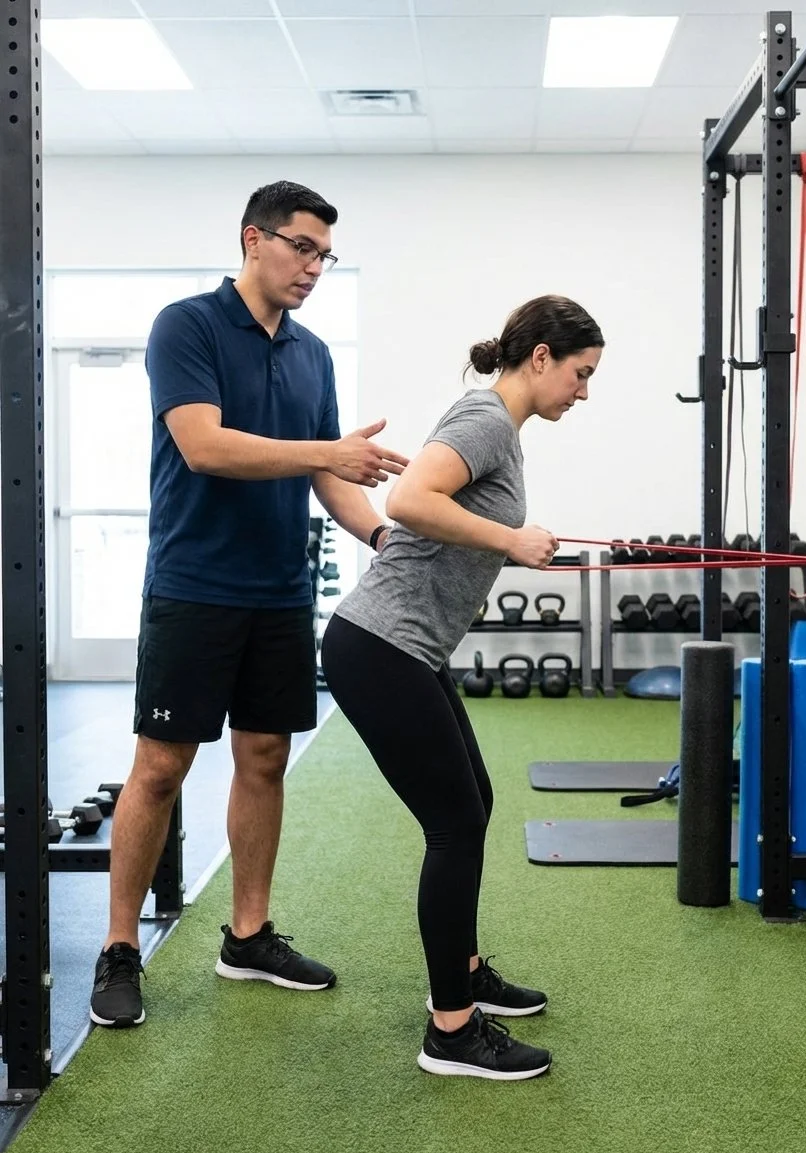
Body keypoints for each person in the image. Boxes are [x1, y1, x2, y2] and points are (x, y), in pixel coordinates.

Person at [90, 180, 408, 1028]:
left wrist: (382, 538)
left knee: (264, 756)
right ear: (252, 239)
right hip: (193, 584)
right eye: (301, 247)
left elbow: (328, 474)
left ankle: (249, 933)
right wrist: (328, 450)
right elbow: (205, 446)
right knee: (162, 766)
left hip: (278, 588)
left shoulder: (311, 354)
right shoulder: (186, 325)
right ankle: (121, 946)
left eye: (324, 256)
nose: (313, 267)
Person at [321, 295, 604, 1080]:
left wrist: (503, 544)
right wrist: (511, 538)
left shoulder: (498, 431)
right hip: (379, 645)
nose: (583, 393)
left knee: (472, 804)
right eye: (580, 375)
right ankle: (451, 1030)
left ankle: (465, 971)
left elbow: (434, 512)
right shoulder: (485, 421)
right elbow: (407, 501)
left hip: (405, 649)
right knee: (453, 823)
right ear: (540, 356)